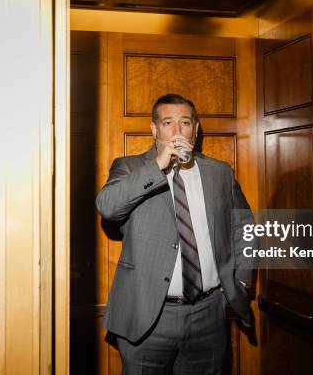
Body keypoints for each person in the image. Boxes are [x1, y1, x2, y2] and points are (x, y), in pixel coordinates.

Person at [96, 93, 255, 374]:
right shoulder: (129, 167)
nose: (177, 131)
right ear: (154, 129)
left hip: (208, 314)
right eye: (168, 122)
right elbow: (108, 207)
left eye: (185, 122)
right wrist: (157, 165)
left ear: (196, 128)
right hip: (147, 318)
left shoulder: (219, 172)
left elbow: (245, 226)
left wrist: (240, 282)